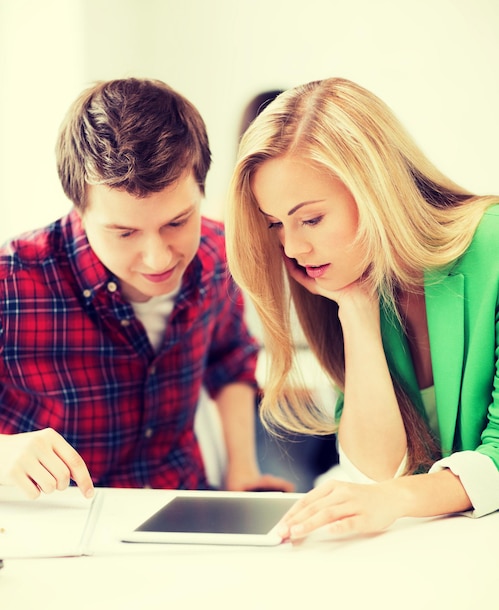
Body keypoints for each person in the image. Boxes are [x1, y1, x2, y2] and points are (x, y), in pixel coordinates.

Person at [225, 76, 499, 540]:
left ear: (377, 190)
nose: (292, 247)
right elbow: (376, 472)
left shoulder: (492, 246)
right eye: (275, 224)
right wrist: (354, 311)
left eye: (311, 219)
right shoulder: (353, 278)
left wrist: (398, 498)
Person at [0, 77, 294, 500]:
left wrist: (242, 471)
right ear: (79, 210)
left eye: (177, 222)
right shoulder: (13, 282)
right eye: (124, 233)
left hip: (181, 507)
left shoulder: (215, 253)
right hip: (56, 528)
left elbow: (229, 359)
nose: (159, 259)